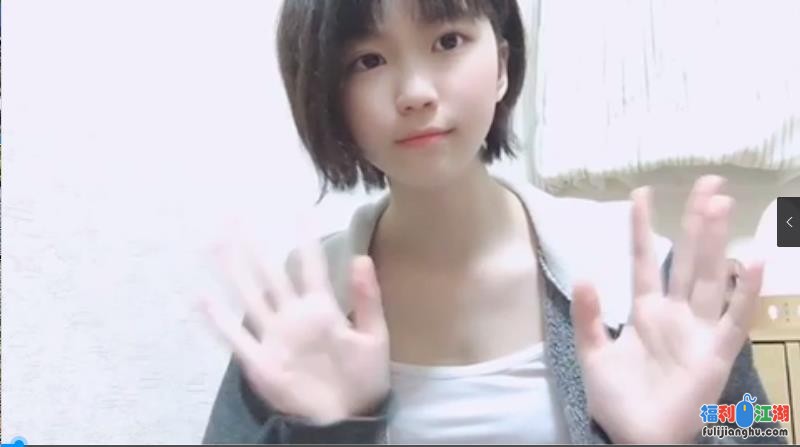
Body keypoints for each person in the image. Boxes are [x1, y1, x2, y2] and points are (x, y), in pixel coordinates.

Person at [200, 0, 786, 444]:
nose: (415, 92)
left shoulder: (641, 276)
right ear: (330, 95)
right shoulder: (304, 311)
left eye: (448, 40)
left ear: (502, 64)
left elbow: (761, 429)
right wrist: (326, 434)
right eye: (369, 60)